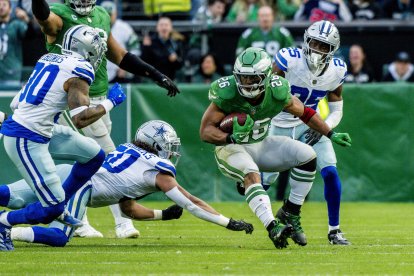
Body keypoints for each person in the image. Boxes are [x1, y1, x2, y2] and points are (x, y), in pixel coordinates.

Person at [31, 0, 180, 239]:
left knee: (86, 161)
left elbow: (119, 55)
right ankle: (121, 223)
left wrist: (155, 74)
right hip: (72, 98)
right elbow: (45, 20)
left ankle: (79, 221)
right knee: (109, 158)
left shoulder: (100, 14)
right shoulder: (61, 13)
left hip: (99, 95)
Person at [2, 120, 254, 247]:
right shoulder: (157, 170)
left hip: (69, 171)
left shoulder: (130, 154)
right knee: (60, 236)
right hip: (82, 184)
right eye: (168, 146)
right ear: (157, 145)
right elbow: (193, 204)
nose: (172, 151)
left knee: (11, 197)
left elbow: (128, 209)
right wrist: (228, 222)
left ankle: (5, 224)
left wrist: (163, 215)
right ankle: (8, 231)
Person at [199, 47, 352, 249]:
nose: (247, 83)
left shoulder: (277, 89)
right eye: (243, 78)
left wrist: (330, 133)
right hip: (231, 148)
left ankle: (291, 211)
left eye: (253, 78)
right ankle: (273, 226)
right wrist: (230, 137)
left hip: (261, 144)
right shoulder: (226, 92)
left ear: (266, 76)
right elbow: (205, 132)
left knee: (307, 155)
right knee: (251, 173)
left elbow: (305, 113)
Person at [0, 25, 126, 251]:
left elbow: (15, 103)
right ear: (88, 49)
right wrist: (110, 102)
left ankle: (60, 202)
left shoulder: (49, 58)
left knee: (95, 155)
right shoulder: (81, 69)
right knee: (49, 210)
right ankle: (3, 222)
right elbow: (80, 119)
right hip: (26, 137)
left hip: (40, 129)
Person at [268, 20, 351, 245]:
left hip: (310, 125)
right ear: (306, 40)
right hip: (278, 122)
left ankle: (334, 231)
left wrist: (328, 127)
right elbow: (269, 93)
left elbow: (337, 108)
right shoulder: (289, 59)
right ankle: (281, 216)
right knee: (265, 180)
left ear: (333, 49)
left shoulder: (337, 70)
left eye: (324, 46)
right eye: (315, 43)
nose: (318, 49)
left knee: (331, 173)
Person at [100, 1, 140, 83]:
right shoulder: (93, 27)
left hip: (118, 73)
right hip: (98, 73)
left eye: (110, 15)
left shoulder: (124, 28)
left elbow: (136, 48)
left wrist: (126, 66)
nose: (107, 17)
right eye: (105, 14)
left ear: (115, 14)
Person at [0, 0, 32, 86]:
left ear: (10, 9)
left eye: (4, 4)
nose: (1, 7)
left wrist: (26, 19)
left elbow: (30, 36)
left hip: (12, 73)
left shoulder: (16, 24)